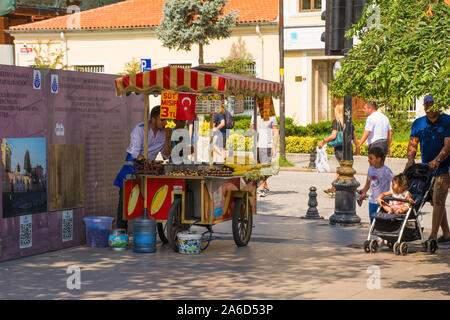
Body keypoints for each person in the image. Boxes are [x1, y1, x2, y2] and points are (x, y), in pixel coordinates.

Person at [113, 105, 172, 230]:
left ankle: (150, 226)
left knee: (149, 197)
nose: (165, 123)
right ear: (153, 119)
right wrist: (147, 160)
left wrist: (167, 139)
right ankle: (121, 230)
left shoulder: (163, 133)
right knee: (126, 199)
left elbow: (166, 155)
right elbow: (135, 152)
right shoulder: (140, 129)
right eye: (162, 119)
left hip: (150, 167)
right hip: (133, 164)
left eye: (166, 120)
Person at [406, 94, 450, 245]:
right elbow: (413, 143)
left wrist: (437, 160)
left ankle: (432, 236)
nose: (429, 108)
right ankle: (447, 234)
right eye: (427, 105)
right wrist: (411, 159)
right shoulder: (418, 123)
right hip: (427, 170)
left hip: (445, 167)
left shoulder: (447, 121)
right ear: (424, 106)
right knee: (436, 201)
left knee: (438, 199)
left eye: (432, 104)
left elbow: (448, 145)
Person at [318, 102, 360, 198]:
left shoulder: (336, 122)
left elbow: (333, 135)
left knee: (342, 170)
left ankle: (335, 189)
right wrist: (357, 147)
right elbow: (354, 137)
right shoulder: (349, 122)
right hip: (349, 148)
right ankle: (334, 189)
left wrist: (323, 141)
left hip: (339, 149)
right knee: (345, 169)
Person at [359, 146, 394, 223]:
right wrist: (364, 192)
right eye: (368, 158)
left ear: (379, 159)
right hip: (372, 200)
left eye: (371, 158)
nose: (368, 160)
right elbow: (368, 181)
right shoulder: (370, 169)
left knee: (381, 222)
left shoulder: (386, 171)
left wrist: (390, 194)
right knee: (372, 221)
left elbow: (394, 183)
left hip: (382, 201)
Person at [250, 109, 279, 197]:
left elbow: (275, 132)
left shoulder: (272, 116)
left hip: (267, 145)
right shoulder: (255, 114)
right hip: (256, 145)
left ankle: (262, 189)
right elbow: (251, 128)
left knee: (265, 168)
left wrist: (274, 147)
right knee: (258, 168)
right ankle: (265, 186)